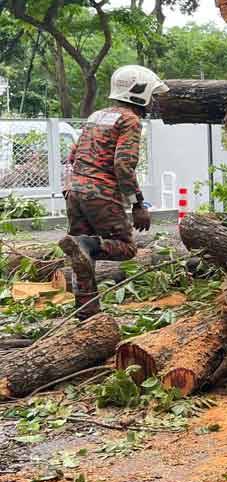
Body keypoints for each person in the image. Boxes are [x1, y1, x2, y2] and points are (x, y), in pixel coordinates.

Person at [59, 65, 167, 320]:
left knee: (80, 254)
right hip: (100, 192)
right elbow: (123, 164)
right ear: (139, 92)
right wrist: (138, 205)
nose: (153, 101)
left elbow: (71, 156)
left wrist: (69, 188)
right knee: (126, 248)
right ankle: (88, 244)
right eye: (152, 94)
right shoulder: (130, 119)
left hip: (75, 190)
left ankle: (86, 312)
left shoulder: (97, 115)